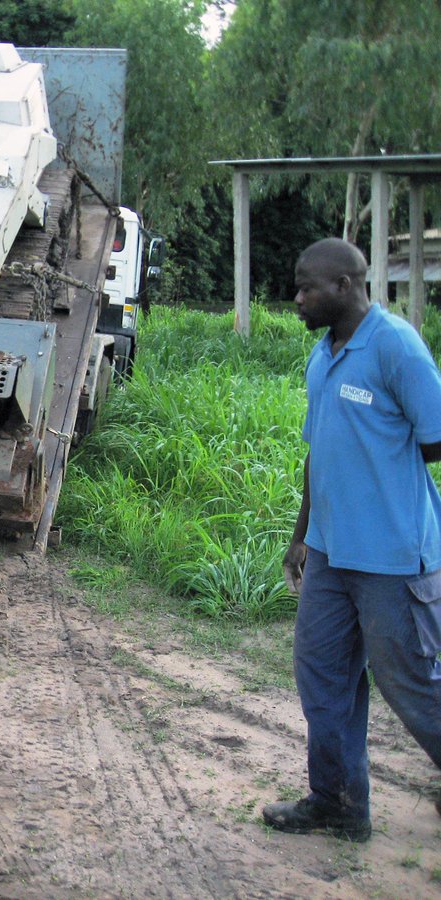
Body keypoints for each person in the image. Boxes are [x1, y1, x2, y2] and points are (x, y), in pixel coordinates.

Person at [263, 237, 441, 842]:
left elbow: (435, 437)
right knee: (323, 678)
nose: (296, 299)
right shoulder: (323, 354)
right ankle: (337, 803)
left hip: (392, 559)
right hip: (331, 555)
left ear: (345, 286)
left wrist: (386, 476)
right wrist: (302, 535)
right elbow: (321, 450)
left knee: (414, 685)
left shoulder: (395, 346)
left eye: (306, 287)